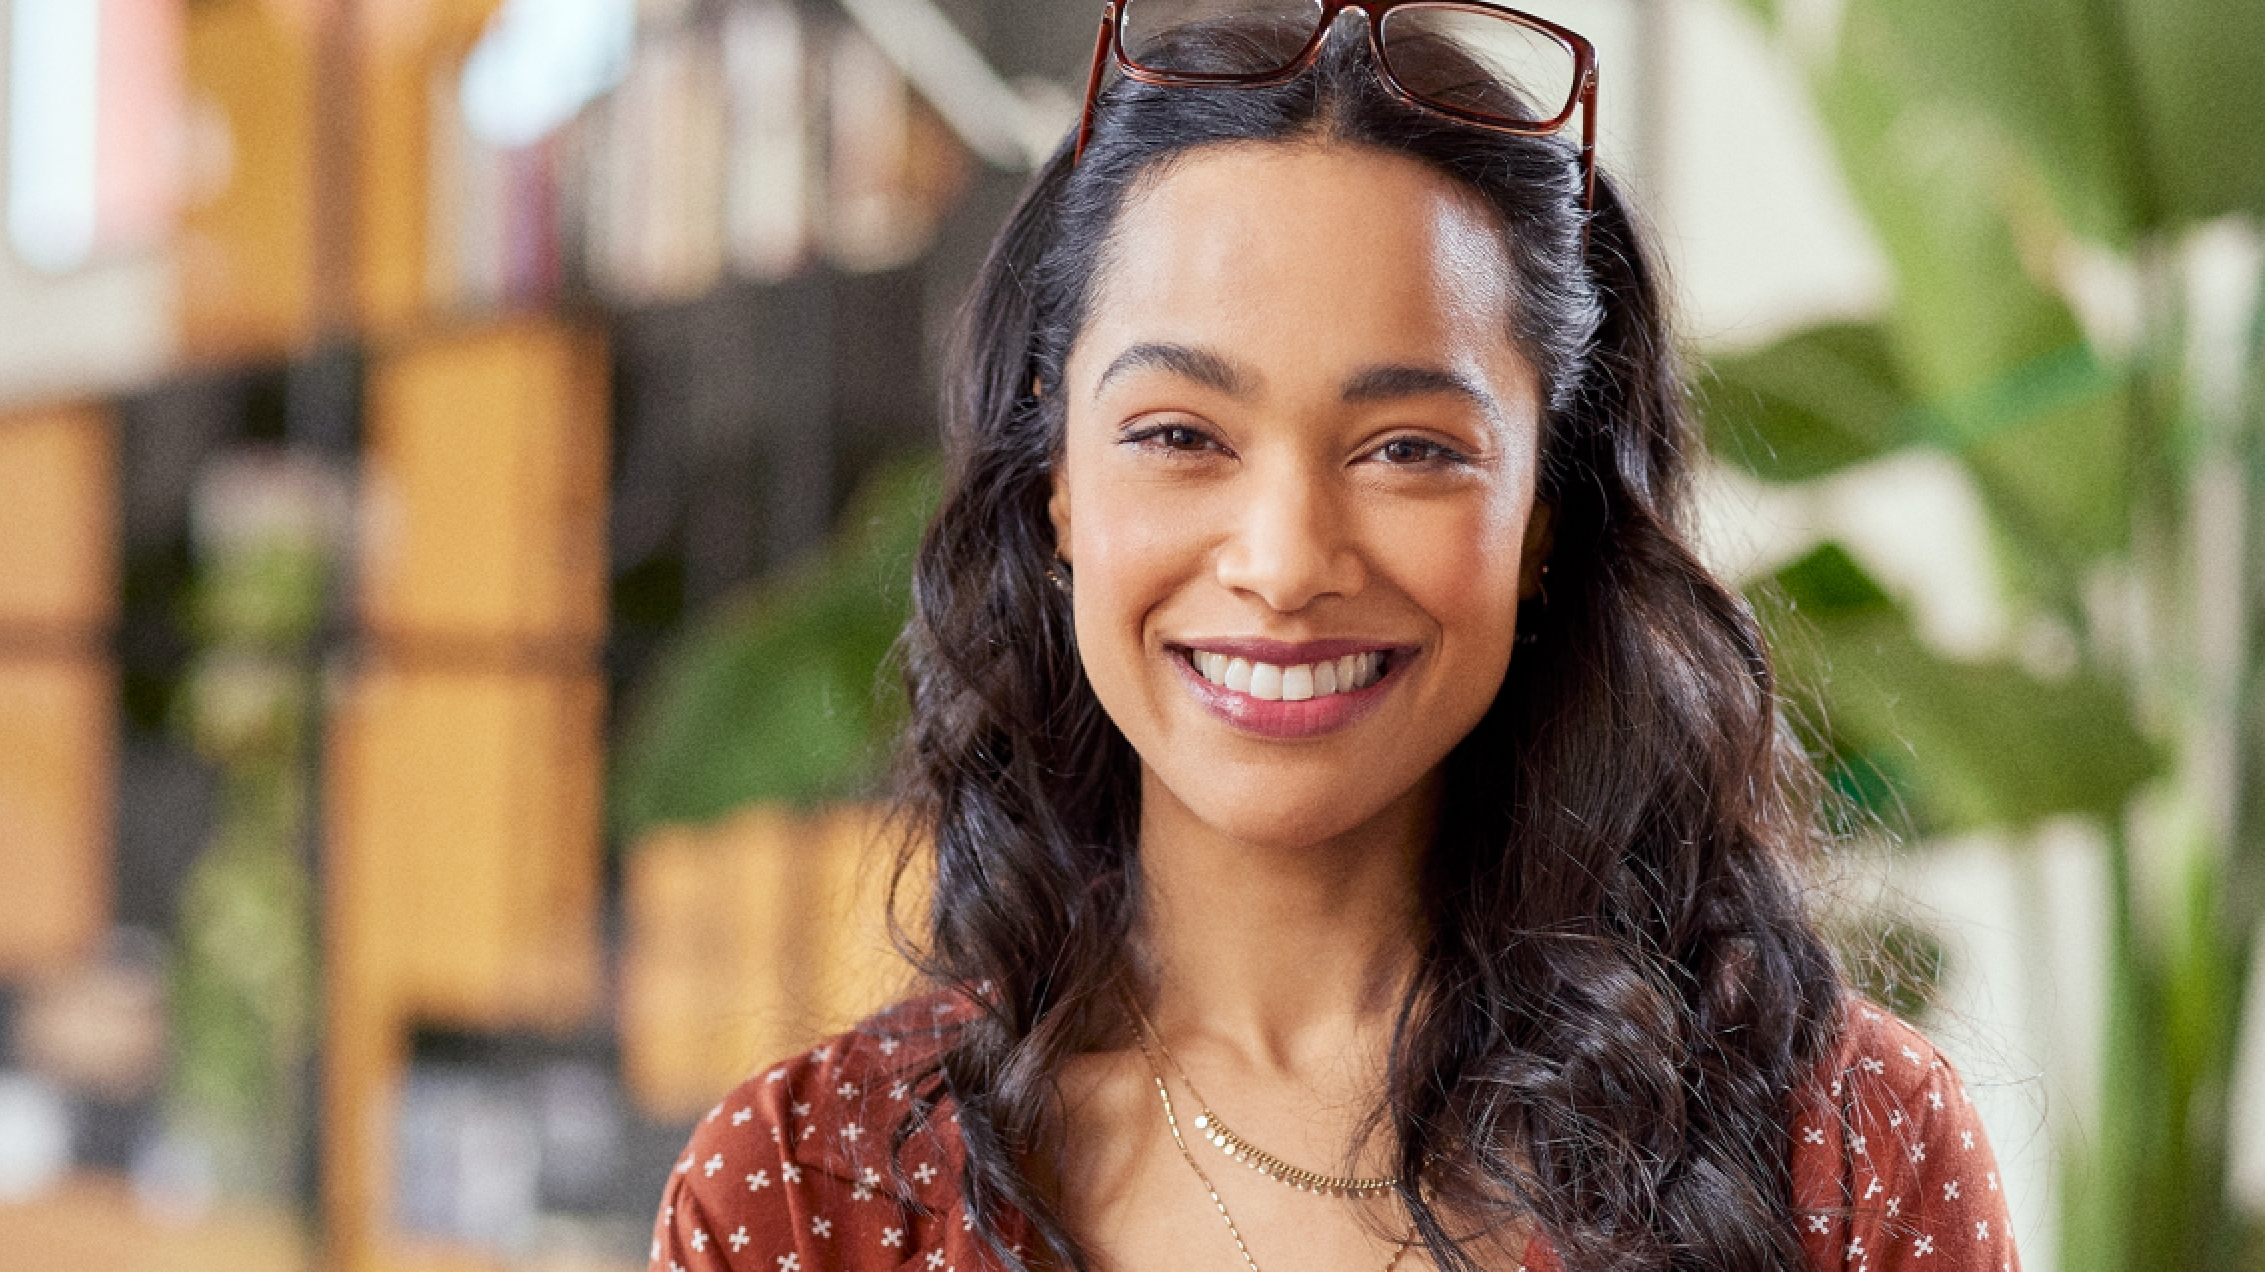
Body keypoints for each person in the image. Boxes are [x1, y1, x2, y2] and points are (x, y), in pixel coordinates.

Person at [651, 3, 2018, 1269]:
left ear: (1546, 511)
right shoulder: (804, 1195)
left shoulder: (1843, 1158)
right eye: (1180, 434)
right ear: (1057, 483)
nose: (1286, 563)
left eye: (1410, 448)